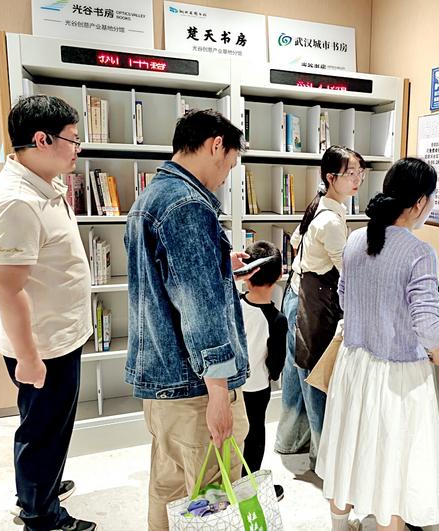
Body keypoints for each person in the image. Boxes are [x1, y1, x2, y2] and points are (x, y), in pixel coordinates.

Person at [316, 158, 439, 531]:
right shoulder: (419, 252)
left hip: (353, 366)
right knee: (391, 471)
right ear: (419, 202)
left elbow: (345, 298)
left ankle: (339, 527)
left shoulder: (355, 239)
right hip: (397, 379)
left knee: (349, 454)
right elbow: (426, 322)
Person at [124, 109, 252, 531]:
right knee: (211, 497)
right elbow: (201, 311)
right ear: (217, 145)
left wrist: (219, 266)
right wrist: (219, 393)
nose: (226, 176)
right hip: (196, 389)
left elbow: (165, 283)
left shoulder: (150, 198)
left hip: (164, 385)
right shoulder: (188, 206)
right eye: (230, 163)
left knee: (170, 489)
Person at [0, 95, 96, 531]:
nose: (77, 148)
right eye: (72, 139)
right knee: (43, 431)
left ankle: (39, 487)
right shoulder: (17, 201)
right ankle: (41, 514)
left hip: (58, 336)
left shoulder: (43, 184)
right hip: (44, 347)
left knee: (46, 427)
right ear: (42, 139)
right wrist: (30, 358)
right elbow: (7, 287)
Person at [275, 146, 366, 469]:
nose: (357, 179)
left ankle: (289, 440)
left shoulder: (321, 205)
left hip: (296, 296)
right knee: (317, 378)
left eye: (360, 172)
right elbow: (347, 272)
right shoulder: (331, 220)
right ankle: (323, 457)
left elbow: (296, 242)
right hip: (312, 306)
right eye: (350, 173)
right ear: (331, 177)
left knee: (297, 373)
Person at [239, 240, 288, 501]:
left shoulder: (233, 305)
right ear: (279, 275)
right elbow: (277, 361)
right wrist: (274, 374)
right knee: (255, 435)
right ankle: (249, 489)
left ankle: (230, 482)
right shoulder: (277, 320)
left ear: (246, 274)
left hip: (227, 385)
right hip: (257, 386)